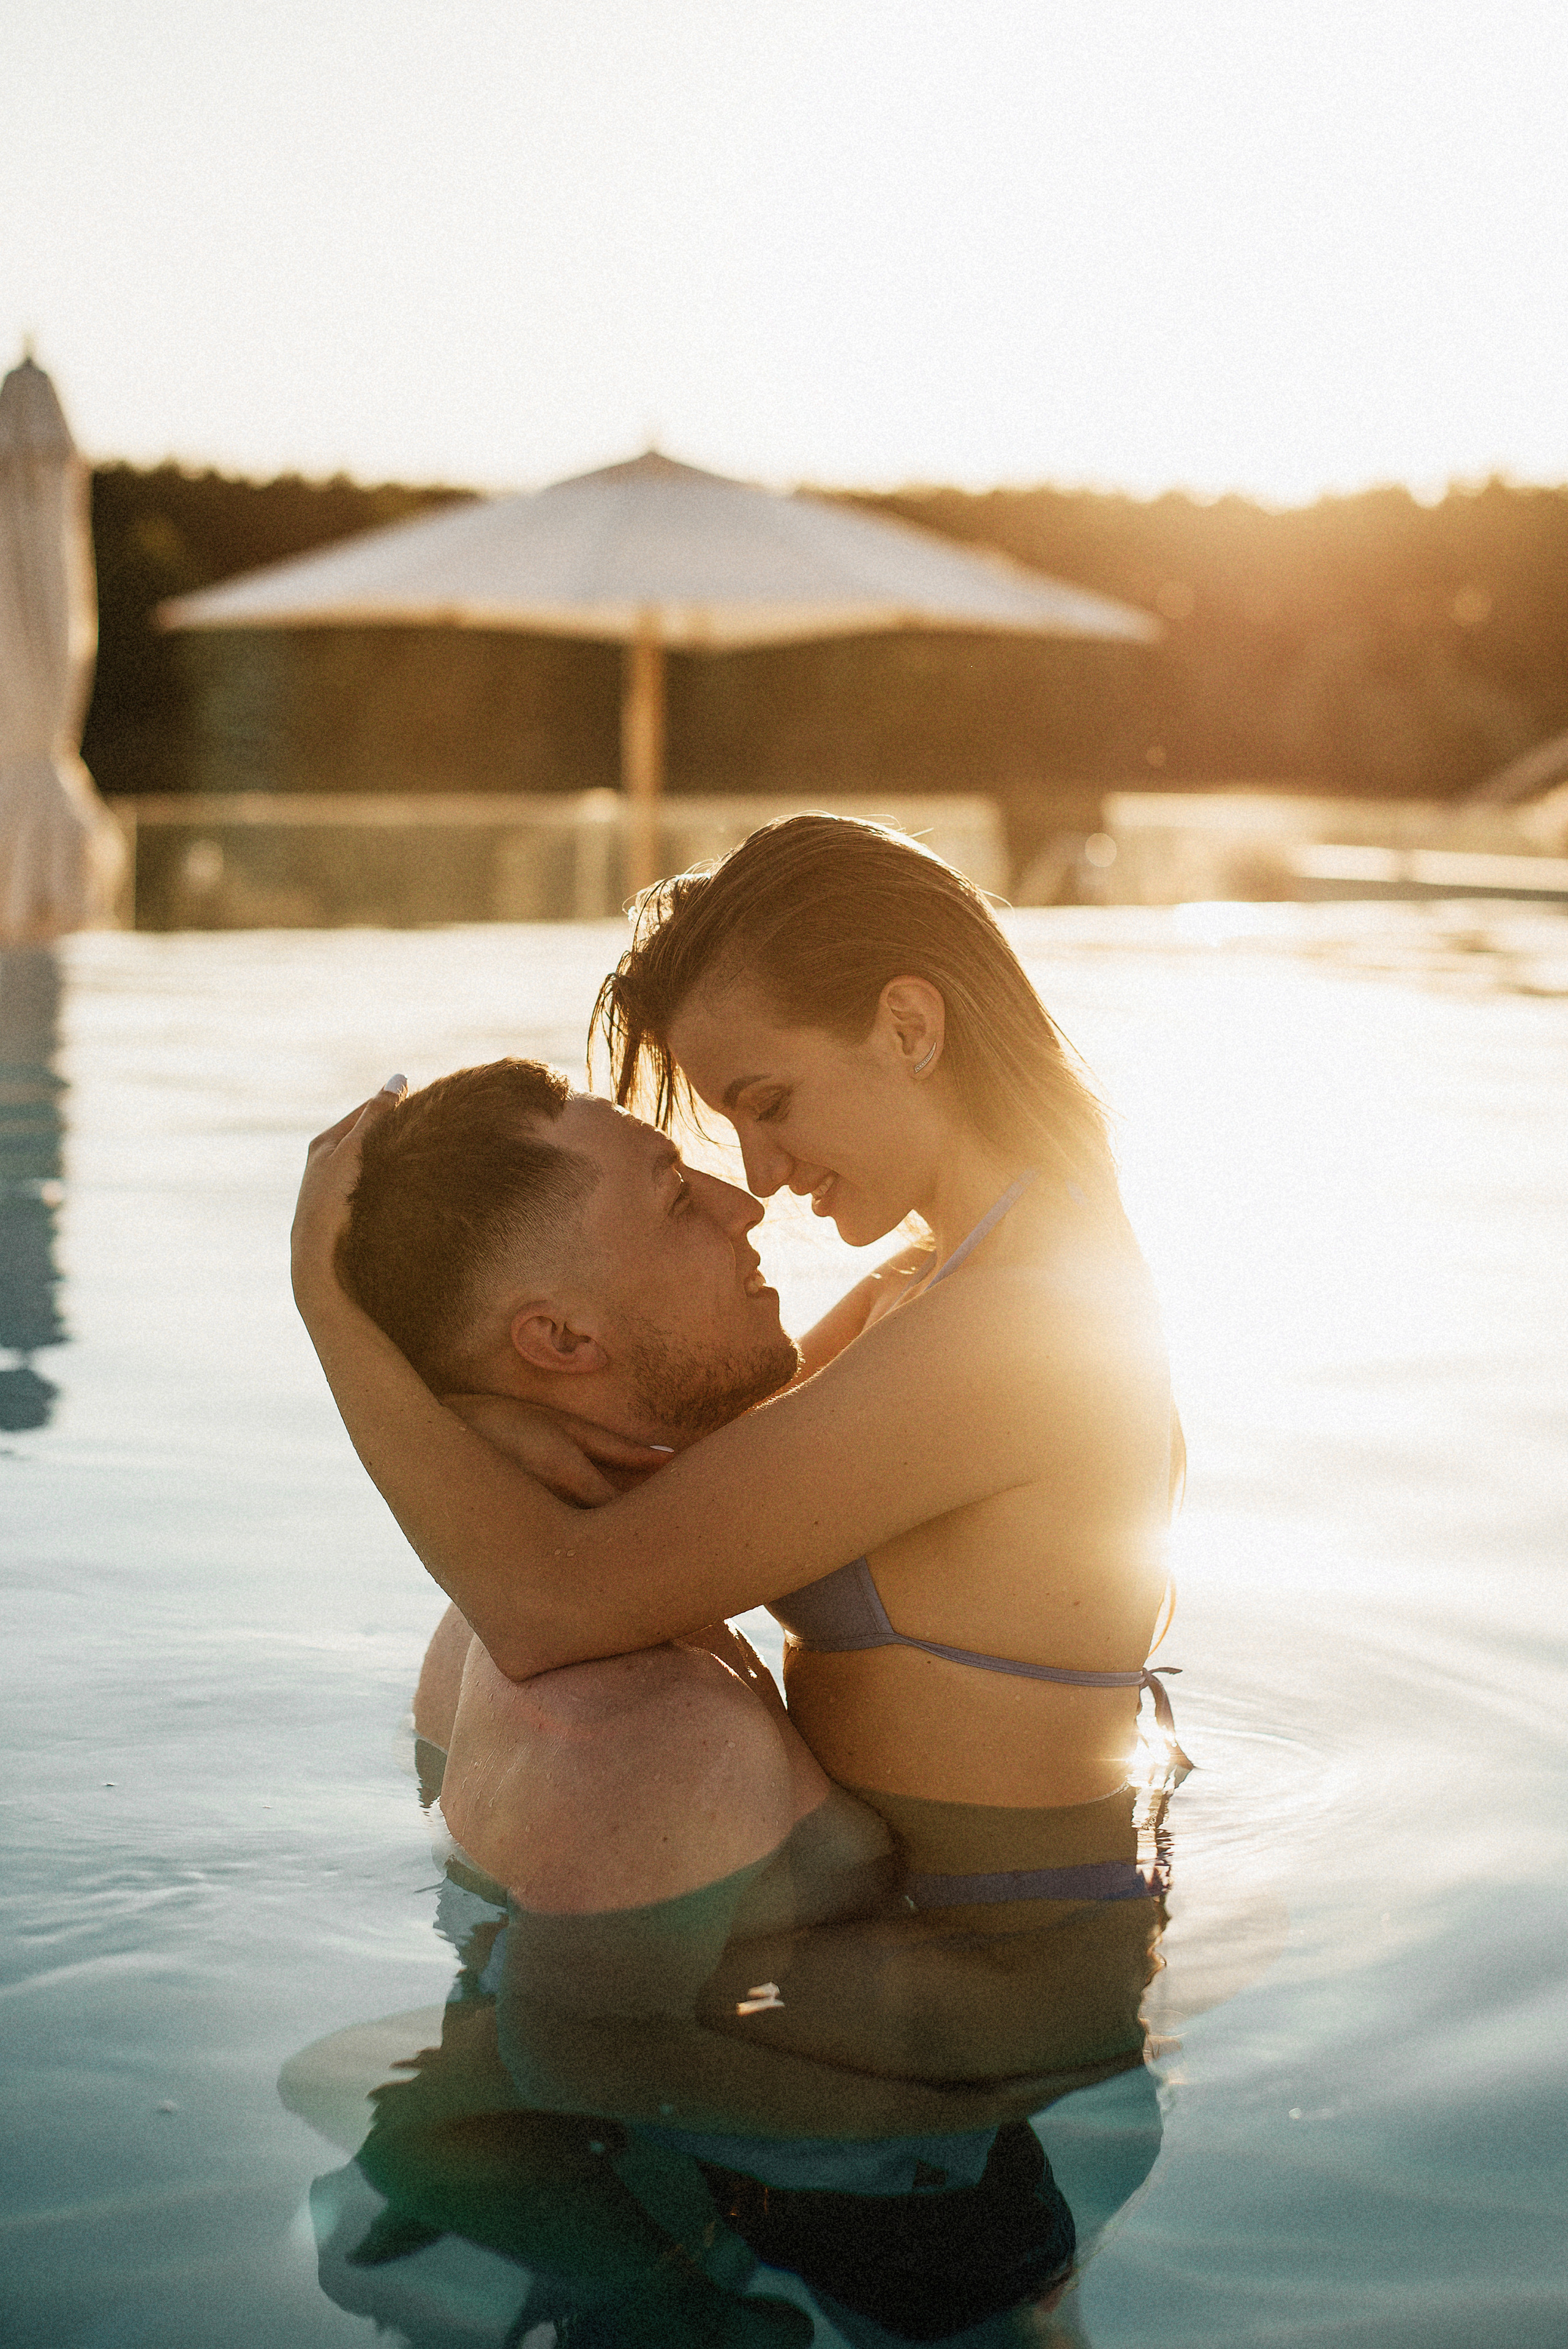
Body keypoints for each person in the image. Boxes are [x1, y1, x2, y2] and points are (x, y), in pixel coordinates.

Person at [292, 815, 1188, 1910]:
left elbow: (553, 1603)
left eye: (768, 1102)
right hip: (903, 1942)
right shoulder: (934, 1283)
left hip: (990, 1996)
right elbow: (676, 1499)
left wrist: (327, 1309)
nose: (758, 1172)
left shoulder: (1021, 1329)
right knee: (478, 1670)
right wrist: (501, 1419)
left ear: (909, 1026)